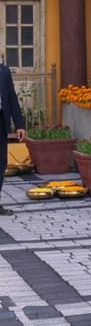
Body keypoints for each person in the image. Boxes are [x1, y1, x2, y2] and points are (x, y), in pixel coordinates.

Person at [0, 63, 25, 214]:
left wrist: (19, 124)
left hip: (1, 121)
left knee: (1, 162)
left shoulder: (4, 71)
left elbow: (11, 98)